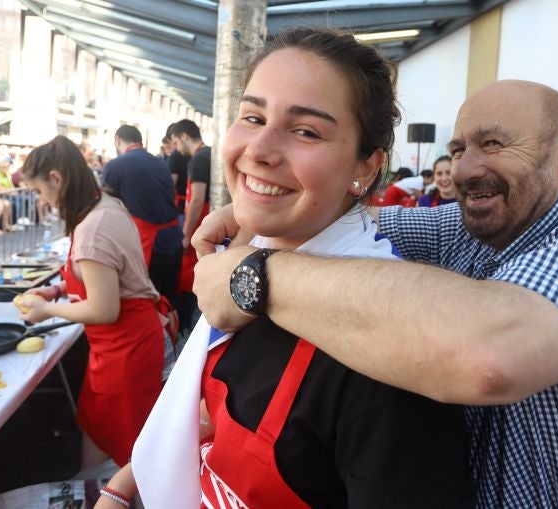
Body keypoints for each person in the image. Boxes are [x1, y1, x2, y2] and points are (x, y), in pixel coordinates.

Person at [190, 79, 558, 507]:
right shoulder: (471, 229)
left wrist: (253, 275)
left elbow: (489, 356)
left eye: (494, 144)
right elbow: (335, 225)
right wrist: (256, 209)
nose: (464, 170)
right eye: (457, 150)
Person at [97, 28, 473, 509]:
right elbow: (216, 416)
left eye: (306, 131)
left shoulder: (385, 362)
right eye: (253, 117)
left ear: (366, 167)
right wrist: (124, 485)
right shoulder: (238, 265)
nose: (260, 150)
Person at [17, 135, 166, 469]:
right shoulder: (105, 204)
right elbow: (101, 275)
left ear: (56, 178)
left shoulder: (92, 229)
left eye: (40, 191)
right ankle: (96, 492)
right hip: (127, 344)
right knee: (100, 429)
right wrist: (57, 291)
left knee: (125, 442)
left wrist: (47, 309)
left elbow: (103, 309)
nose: (43, 201)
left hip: (124, 350)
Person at [102, 125, 183, 304]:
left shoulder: (115, 166)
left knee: (150, 301)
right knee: (169, 301)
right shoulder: (160, 163)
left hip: (149, 245)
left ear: (117, 140)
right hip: (174, 240)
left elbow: (105, 212)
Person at [169, 119, 210, 331]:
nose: (177, 148)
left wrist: (186, 234)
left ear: (184, 136)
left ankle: (186, 326)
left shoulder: (198, 159)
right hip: (205, 227)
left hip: (198, 229)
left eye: (176, 142)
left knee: (188, 278)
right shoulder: (207, 154)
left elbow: (196, 199)